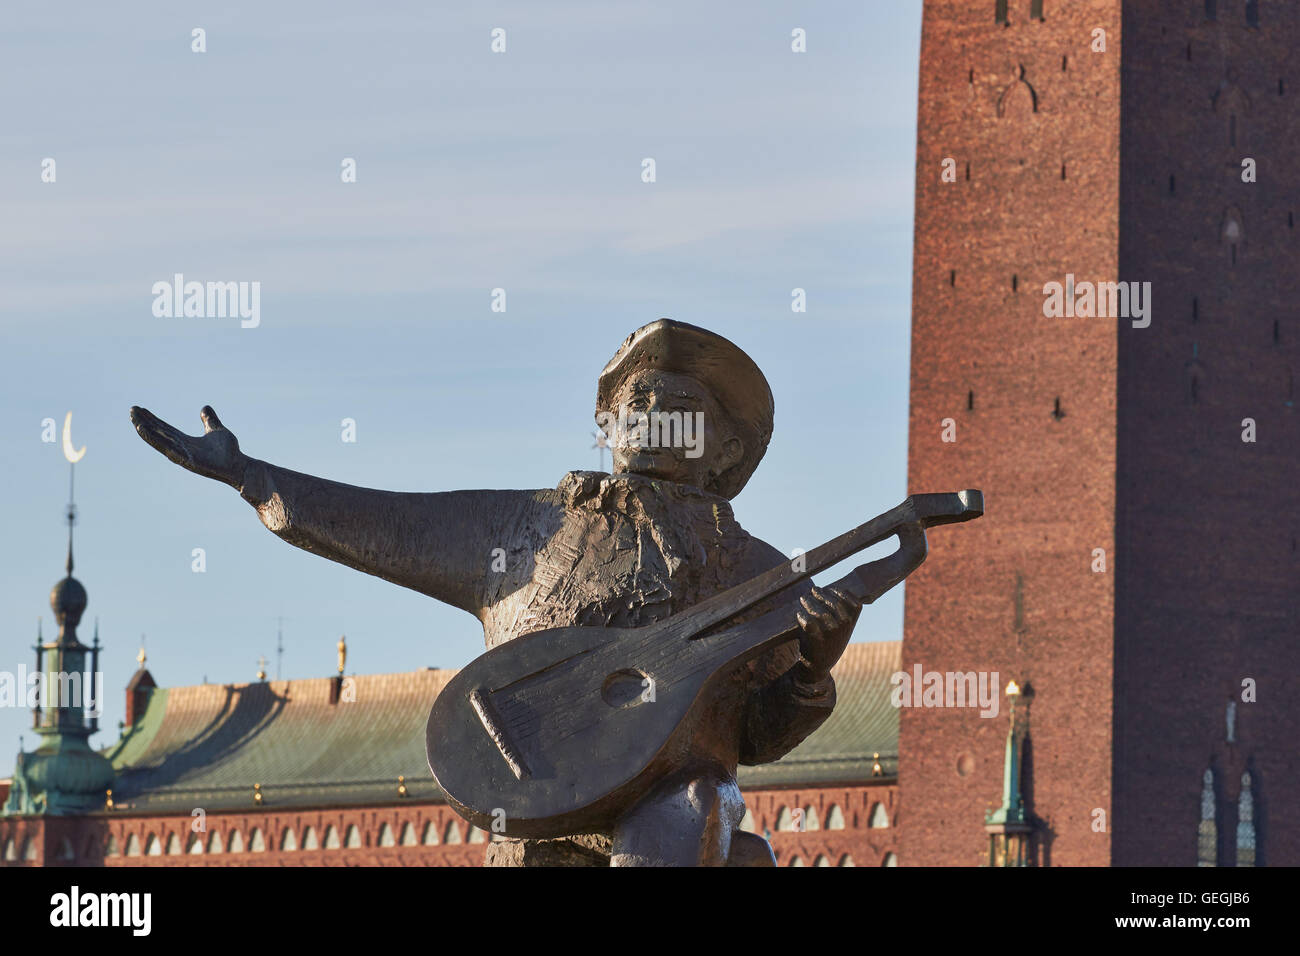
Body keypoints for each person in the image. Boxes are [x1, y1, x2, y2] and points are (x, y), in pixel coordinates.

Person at [129, 319, 861, 866]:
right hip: (539, 816)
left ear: (725, 450)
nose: (651, 413)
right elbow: (382, 521)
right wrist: (253, 477)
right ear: (608, 425)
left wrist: (810, 671)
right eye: (637, 399)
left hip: (671, 816)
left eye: (680, 407)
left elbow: (757, 733)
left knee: (686, 819)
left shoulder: (757, 571)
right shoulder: (526, 528)